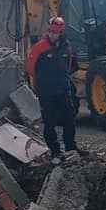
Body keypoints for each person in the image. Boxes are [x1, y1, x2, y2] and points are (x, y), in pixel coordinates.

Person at [27, 16, 80, 163]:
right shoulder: (39, 47)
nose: (52, 34)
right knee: (49, 122)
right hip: (47, 92)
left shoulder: (67, 47)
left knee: (70, 119)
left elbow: (71, 65)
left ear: (61, 33)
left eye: (55, 32)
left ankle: (70, 146)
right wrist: (44, 82)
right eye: (50, 31)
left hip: (64, 90)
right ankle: (55, 151)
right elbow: (30, 68)